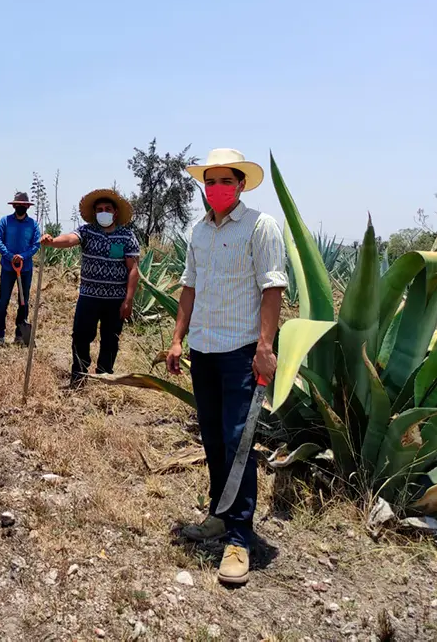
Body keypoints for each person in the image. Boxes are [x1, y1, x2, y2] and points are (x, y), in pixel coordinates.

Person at [165, 148, 286, 586]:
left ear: (240, 185)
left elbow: (272, 288)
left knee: (239, 442)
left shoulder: (260, 227)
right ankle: (219, 514)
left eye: (224, 181)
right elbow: (189, 287)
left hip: (240, 351)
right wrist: (178, 339)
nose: (215, 189)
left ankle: (239, 537)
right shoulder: (198, 231)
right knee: (213, 437)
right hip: (204, 350)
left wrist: (265, 347)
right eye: (209, 182)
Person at [41, 189, 140, 388]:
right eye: (99, 209)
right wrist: (52, 242)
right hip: (89, 297)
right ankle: (79, 374)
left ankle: (104, 377)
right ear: (95, 213)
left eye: (107, 209)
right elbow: (70, 239)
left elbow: (133, 270)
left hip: (116, 300)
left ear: (115, 213)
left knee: (110, 339)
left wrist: (128, 300)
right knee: (80, 335)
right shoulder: (87, 231)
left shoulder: (127, 236)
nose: (103, 212)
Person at [0, 192, 42, 346]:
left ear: (27, 206)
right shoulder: (5, 221)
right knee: (3, 302)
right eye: (18, 205)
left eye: (23, 205)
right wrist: (9, 256)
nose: (21, 207)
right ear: (14, 206)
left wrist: (23, 256)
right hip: (8, 268)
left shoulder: (33, 225)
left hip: (25, 269)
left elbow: (36, 244)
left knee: (23, 302)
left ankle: (20, 336)